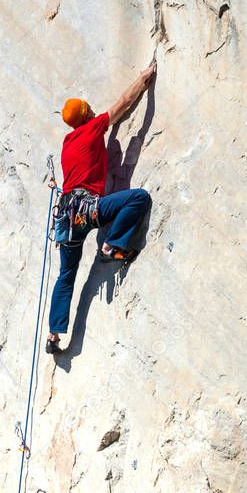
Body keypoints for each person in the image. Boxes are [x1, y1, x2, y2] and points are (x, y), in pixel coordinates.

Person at [46, 63, 156, 353]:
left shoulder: (68, 142)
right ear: (85, 116)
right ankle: (113, 245)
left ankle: (54, 335)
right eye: (88, 108)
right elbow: (123, 104)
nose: (93, 109)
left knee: (66, 275)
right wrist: (143, 80)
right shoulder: (92, 128)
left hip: (65, 218)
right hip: (86, 209)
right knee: (139, 198)